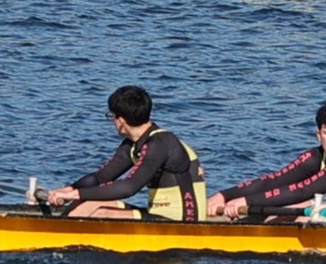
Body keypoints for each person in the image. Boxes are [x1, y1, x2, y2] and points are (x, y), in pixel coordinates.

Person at [45, 86, 207, 221]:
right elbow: (100, 177)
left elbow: (129, 187)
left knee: (102, 214)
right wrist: (66, 190)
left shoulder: (161, 143)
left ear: (121, 121)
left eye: (111, 117)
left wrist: (74, 194)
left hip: (182, 222)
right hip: (157, 215)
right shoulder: (133, 144)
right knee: (86, 204)